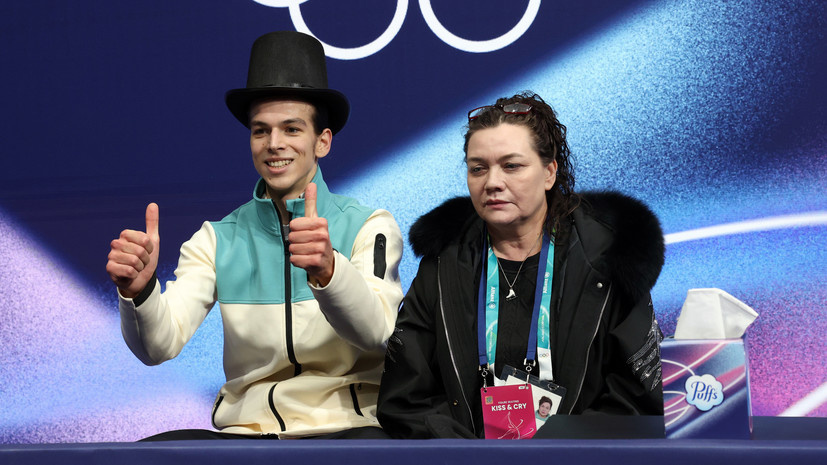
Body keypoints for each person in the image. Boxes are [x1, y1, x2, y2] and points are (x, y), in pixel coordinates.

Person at [106, 31, 403, 440]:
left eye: (291, 129)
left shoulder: (370, 225)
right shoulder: (216, 239)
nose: (274, 144)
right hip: (247, 436)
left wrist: (330, 271)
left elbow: (379, 333)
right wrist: (138, 292)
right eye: (261, 131)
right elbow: (157, 347)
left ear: (322, 142)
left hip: (348, 431)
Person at [377, 92, 664, 439]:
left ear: (549, 172)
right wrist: (467, 455)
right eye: (478, 168)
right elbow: (405, 398)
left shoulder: (609, 258)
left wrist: (556, 450)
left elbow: (637, 401)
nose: (492, 182)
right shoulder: (443, 262)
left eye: (511, 166)